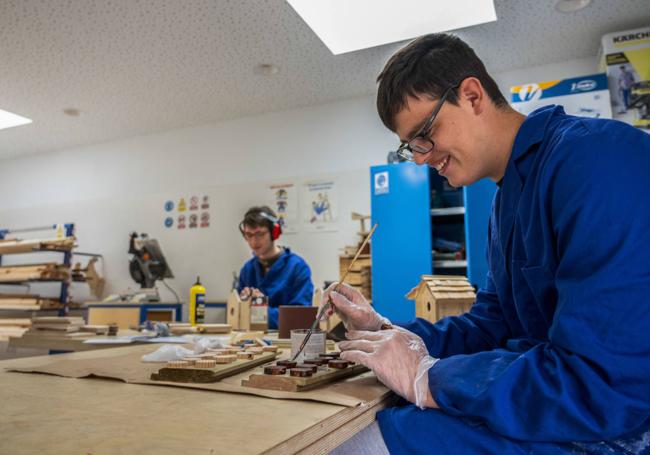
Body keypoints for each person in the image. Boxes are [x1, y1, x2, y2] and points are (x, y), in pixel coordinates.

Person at [325, 33, 650, 455]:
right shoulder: (506, 203)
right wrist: (386, 331)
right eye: (411, 146)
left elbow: (601, 382)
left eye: (425, 133)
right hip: (568, 405)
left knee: (363, 444)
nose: (420, 158)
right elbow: (490, 328)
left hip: (619, 428)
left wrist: (430, 376)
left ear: (473, 96)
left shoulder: (596, 160)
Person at [237, 206, 314, 329]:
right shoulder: (247, 269)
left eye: (259, 234)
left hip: (287, 342)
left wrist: (260, 309)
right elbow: (237, 314)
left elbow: (300, 318)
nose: (253, 241)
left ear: (274, 232)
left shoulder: (297, 267)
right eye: (248, 235)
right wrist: (243, 304)